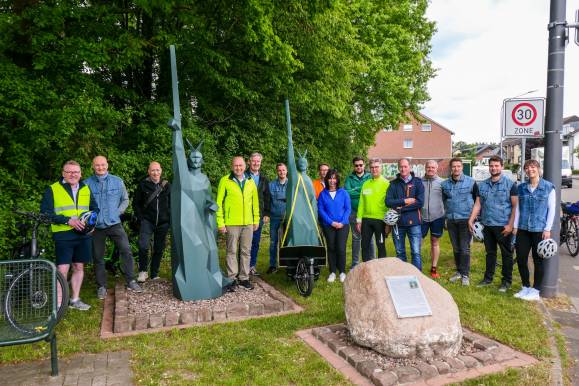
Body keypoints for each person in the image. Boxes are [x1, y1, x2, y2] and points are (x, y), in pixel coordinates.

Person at [40, 160, 98, 311]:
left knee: (79, 266)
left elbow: (95, 208)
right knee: (63, 269)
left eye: (76, 172)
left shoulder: (86, 188)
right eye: (69, 172)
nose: (73, 175)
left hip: (83, 235)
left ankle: (75, 299)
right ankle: (59, 304)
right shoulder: (53, 189)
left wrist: (91, 224)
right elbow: (46, 213)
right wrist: (68, 221)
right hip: (63, 234)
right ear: (63, 173)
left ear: (80, 174)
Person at [85, 155, 142, 299]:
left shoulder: (117, 181)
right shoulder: (86, 184)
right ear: (93, 166)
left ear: (107, 165)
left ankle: (131, 280)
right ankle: (102, 286)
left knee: (126, 251)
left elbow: (125, 199)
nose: (100, 167)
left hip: (114, 224)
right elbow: (83, 206)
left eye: (103, 164)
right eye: (97, 165)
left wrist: (117, 212)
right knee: (98, 257)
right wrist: (89, 221)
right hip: (96, 227)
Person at [469, 155, 517, 292]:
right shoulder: (482, 185)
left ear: (501, 167)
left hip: (503, 226)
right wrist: (471, 219)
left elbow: (515, 207)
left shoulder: (510, 185)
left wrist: (510, 225)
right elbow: (478, 204)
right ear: (488, 167)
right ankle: (487, 278)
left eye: (496, 165)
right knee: (490, 253)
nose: (494, 168)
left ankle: (506, 281)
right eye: (491, 166)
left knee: (506, 254)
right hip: (487, 225)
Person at [513, 159, 555, 301]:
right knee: (521, 258)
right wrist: (515, 226)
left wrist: (547, 229)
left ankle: (536, 290)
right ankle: (525, 287)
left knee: (538, 261)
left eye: (533, 167)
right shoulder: (521, 188)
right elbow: (518, 209)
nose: (530, 170)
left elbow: (552, 210)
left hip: (539, 229)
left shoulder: (548, 187)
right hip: (523, 229)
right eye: (527, 168)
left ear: (538, 169)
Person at [216, 156, 260, 290]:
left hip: (248, 223)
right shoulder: (225, 180)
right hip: (231, 223)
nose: (238, 168)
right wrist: (220, 222)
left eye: (240, 165)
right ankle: (231, 279)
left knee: (246, 251)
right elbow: (218, 203)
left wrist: (256, 219)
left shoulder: (250, 181)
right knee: (231, 251)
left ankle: (244, 278)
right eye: (236, 165)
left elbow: (255, 203)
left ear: (245, 166)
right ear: (232, 166)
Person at [441, 158, 478, 286]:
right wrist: (445, 218)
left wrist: (473, 219)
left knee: (464, 248)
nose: (456, 169)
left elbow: (477, 201)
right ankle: (458, 271)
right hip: (451, 220)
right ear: (451, 168)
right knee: (456, 248)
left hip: (465, 220)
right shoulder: (445, 184)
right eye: (454, 166)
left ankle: (465, 274)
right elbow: (444, 202)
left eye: (458, 166)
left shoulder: (471, 182)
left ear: (462, 168)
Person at [133, 161, 170, 282]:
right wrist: (141, 217)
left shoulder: (167, 185)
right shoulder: (143, 185)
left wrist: (169, 216)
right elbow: (136, 203)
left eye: (157, 170)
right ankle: (143, 271)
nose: (155, 172)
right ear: (149, 171)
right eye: (153, 170)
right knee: (143, 246)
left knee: (159, 248)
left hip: (163, 222)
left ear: (161, 171)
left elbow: (172, 203)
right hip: (147, 221)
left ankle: (154, 273)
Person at [386, 158, 425, 270]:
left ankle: (418, 276)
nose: (403, 169)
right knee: (400, 252)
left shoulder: (417, 182)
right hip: (398, 224)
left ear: (410, 167)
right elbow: (388, 202)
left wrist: (400, 208)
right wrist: (404, 201)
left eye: (405, 166)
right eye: (401, 167)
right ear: (398, 168)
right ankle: (403, 276)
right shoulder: (393, 184)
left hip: (414, 223)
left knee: (416, 252)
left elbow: (420, 202)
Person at [317, 169, 351, 283]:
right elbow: (321, 210)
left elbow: (348, 209)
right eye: (330, 178)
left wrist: (342, 222)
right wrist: (331, 222)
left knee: (341, 248)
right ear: (327, 179)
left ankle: (342, 272)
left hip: (343, 225)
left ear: (337, 180)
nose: (332, 180)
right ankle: (332, 272)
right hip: (328, 225)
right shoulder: (323, 194)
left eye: (334, 178)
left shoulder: (343, 192)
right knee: (331, 248)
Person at [356, 159, 390, 261]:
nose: (374, 169)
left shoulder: (387, 184)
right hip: (366, 220)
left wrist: (388, 224)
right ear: (369, 169)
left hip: (380, 220)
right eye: (372, 167)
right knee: (364, 246)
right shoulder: (366, 184)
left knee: (380, 245)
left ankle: (381, 270)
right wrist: (359, 220)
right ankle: (366, 270)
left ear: (381, 168)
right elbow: (361, 203)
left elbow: (390, 205)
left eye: (376, 167)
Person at [344, 157, 374, 268]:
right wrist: (362, 191)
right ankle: (355, 264)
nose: (359, 167)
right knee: (356, 239)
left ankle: (372, 262)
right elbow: (347, 193)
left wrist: (356, 190)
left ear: (364, 165)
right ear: (354, 166)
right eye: (356, 165)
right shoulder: (349, 178)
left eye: (360, 165)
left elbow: (371, 192)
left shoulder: (370, 177)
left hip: (368, 213)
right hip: (354, 212)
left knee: (370, 238)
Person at [246, 152, 270, 276]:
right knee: (244, 242)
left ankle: (251, 266)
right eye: (254, 161)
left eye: (258, 162)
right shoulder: (243, 176)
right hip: (244, 214)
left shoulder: (264, 179)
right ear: (249, 162)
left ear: (260, 163)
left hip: (259, 215)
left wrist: (266, 213)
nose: (256, 163)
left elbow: (267, 197)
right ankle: (242, 266)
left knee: (255, 241)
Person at [421, 160, 445, 279]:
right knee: (417, 241)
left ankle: (434, 268)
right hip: (422, 217)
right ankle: (416, 265)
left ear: (437, 169)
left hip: (437, 216)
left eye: (433, 167)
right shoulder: (419, 182)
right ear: (425, 168)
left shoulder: (442, 183)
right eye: (428, 167)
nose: (430, 169)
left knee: (434, 242)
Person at [267, 163, 288, 274]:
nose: (281, 172)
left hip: (289, 218)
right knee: (273, 242)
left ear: (287, 171)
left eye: (283, 170)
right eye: (279, 170)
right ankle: (272, 265)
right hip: (275, 217)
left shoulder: (292, 184)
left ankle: (287, 264)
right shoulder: (271, 185)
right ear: (277, 171)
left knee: (288, 241)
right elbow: (268, 201)